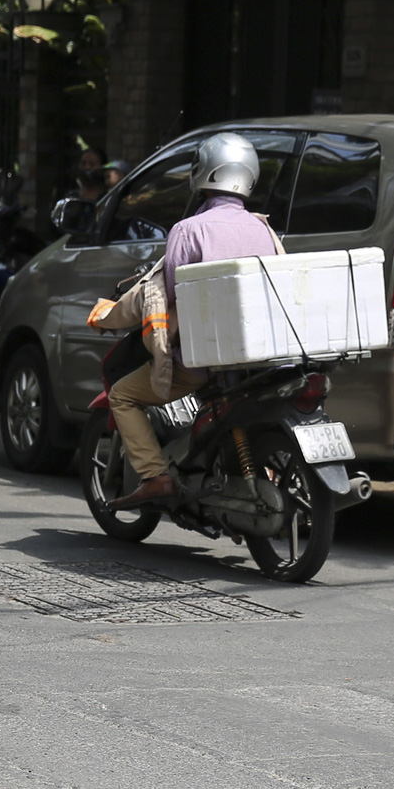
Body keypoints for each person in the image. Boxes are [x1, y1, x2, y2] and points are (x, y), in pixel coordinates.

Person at [99, 131, 281, 511]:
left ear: (203, 173)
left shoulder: (188, 230)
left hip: (202, 362)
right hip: (258, 362)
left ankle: (154, 476)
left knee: (123, 395)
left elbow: (172, 294)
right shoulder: (263, 229)